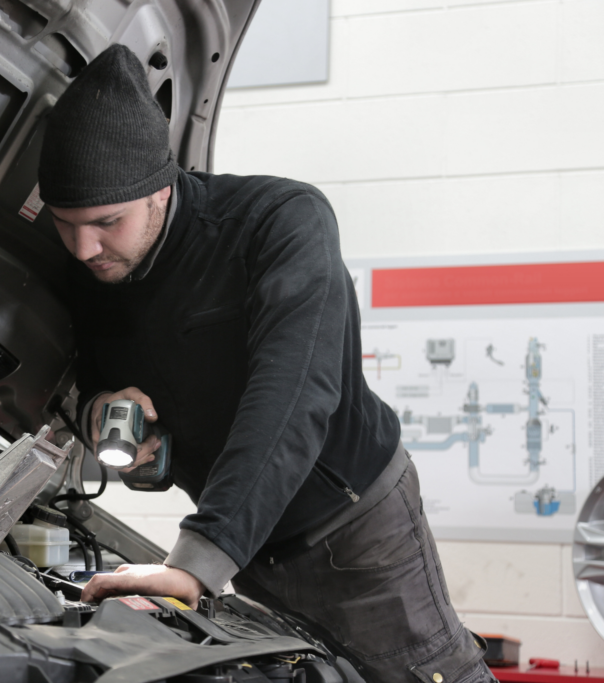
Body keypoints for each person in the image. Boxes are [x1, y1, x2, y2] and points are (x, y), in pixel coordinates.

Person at [37, 44, 494, 683]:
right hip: (245, 546)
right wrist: (99, 416)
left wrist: (197, 562)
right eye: (65, 224)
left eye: (106, 222)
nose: (84, 248)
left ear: (161, 189)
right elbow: (89, 375)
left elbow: (293, 396)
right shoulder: (92, 266)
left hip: (353, 531)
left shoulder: (278, 224)